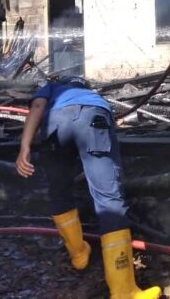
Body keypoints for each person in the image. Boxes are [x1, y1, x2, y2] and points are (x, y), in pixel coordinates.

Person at [15, 76, 160, 299]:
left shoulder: (52, 88)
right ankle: (124, 291)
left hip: (55, 123)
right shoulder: (92, 96)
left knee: (59, 190)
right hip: (93, 119)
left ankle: (79, 254)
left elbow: (37, 106)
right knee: (109, 200)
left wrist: (24, 147)